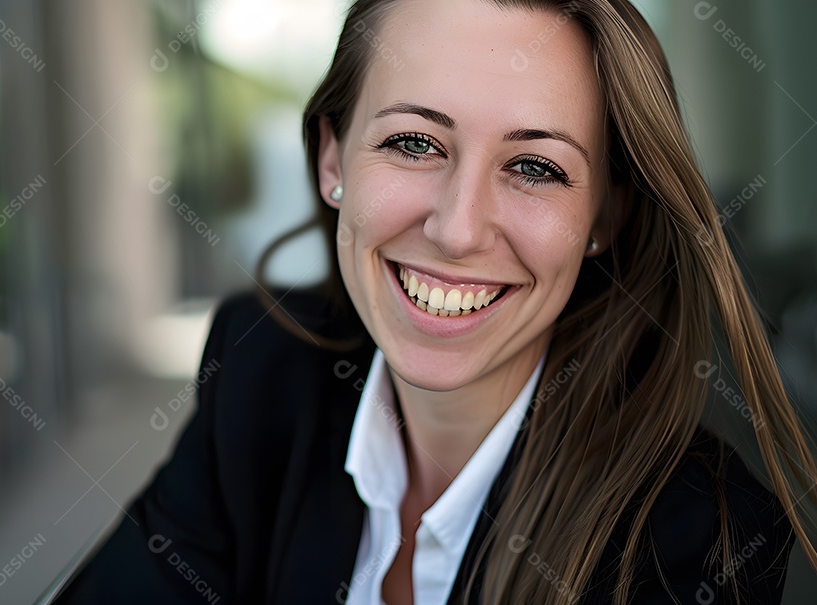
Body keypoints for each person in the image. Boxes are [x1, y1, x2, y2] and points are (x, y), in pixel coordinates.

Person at [55, 0, 817, 602]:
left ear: (605, 217)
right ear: (332, 158)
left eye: (534, 166)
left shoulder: (698, 537)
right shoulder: (261, 363)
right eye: (414, 143)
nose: (457, 230)